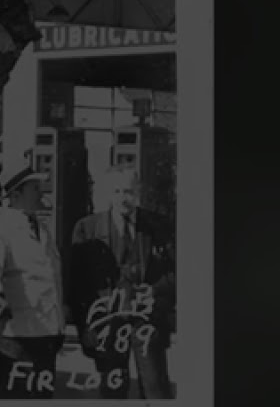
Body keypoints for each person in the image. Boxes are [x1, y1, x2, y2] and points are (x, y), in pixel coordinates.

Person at [69, 165, 175, 399]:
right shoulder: (87, 228)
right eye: (116, 191)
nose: (123, 198)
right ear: (107, 193)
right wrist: (85, 327)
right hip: (108, 325)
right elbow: (77, 287)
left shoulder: (158, 226)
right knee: (112, 392)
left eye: (128, 191)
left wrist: (154, 291)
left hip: (147, 322)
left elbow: (178, 274)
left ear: (138, 191)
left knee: (155, 390)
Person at [0, 162, 66, 399]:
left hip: (45, 331)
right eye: (34, 188)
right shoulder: (1, 228)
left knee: (41, 396)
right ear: (16, 195)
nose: (40, 193)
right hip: (18, 336)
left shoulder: (41, 228)